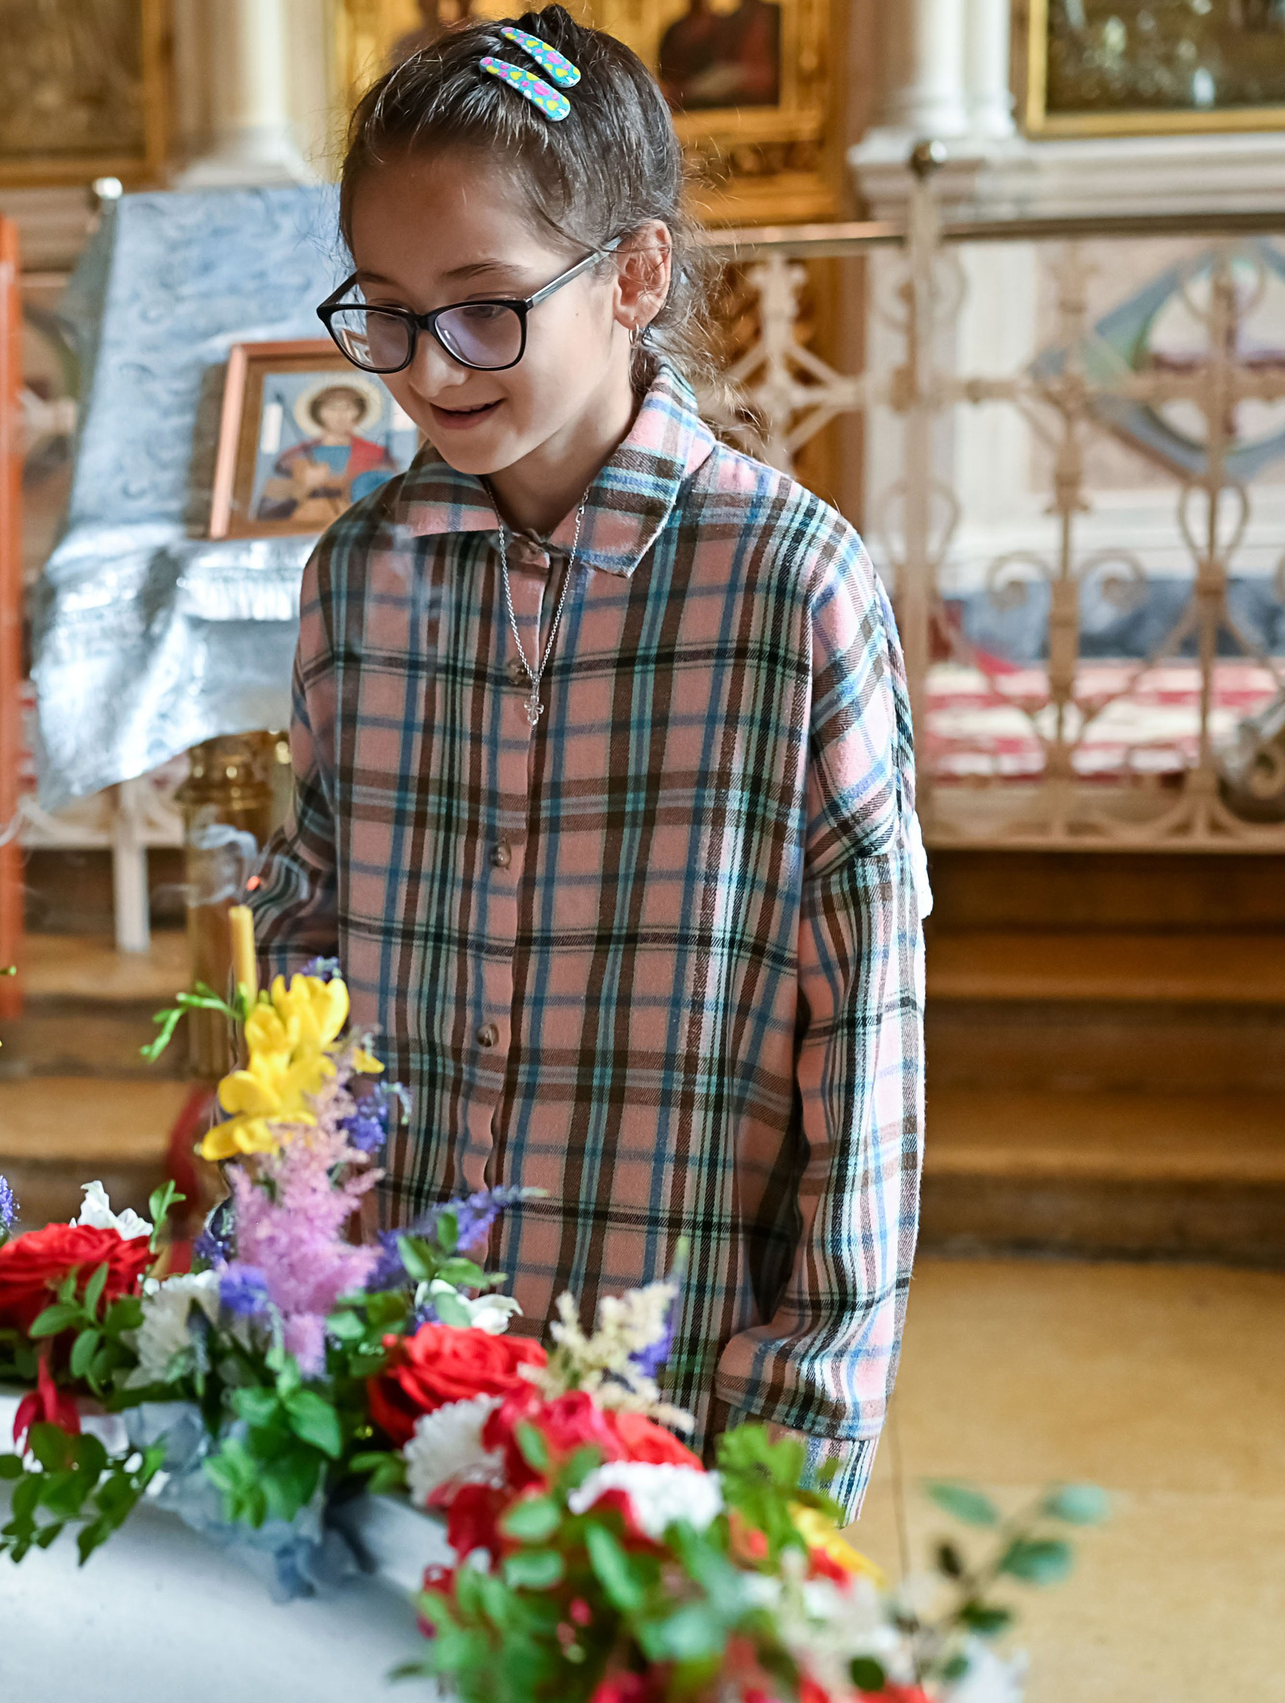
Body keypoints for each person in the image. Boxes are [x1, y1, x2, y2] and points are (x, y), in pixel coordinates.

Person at [264, 9, 924, 1517]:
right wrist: (304, 1274)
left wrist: (796, 1437)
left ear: (633, 276)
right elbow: (305, 946)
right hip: (396, 1371)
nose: (431, 365)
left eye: (486, 305)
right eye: (385, 309)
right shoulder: (362, 574)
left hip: (666, 1400)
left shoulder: (787, 584)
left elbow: (864, 1041)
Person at [255, 381, 398, 527]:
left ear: (358, 412)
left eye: (348, 407)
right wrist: (303, 487)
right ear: (319, 412)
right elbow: (267, 512)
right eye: (332, 408)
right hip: (304, 524)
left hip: (357, 525)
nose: (340, 415)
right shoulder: (294, 457)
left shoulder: (376, 454)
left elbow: (392, 501)